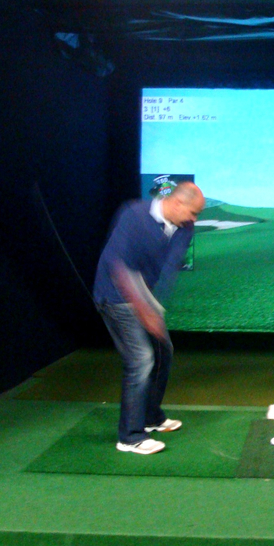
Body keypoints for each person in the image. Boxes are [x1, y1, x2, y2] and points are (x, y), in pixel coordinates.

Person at [92, 182, 205, 454]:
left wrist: (155, 308)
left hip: (143, 295)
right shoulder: (135, 215)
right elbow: (118, 267)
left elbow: (168, 269)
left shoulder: (184, 228)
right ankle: (130, 437)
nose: (194, 219)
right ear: (177, 203)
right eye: (193, 212)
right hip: (114, 295)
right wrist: (145, 311)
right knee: (141, 359)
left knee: (164, 351)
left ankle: (151, 417)